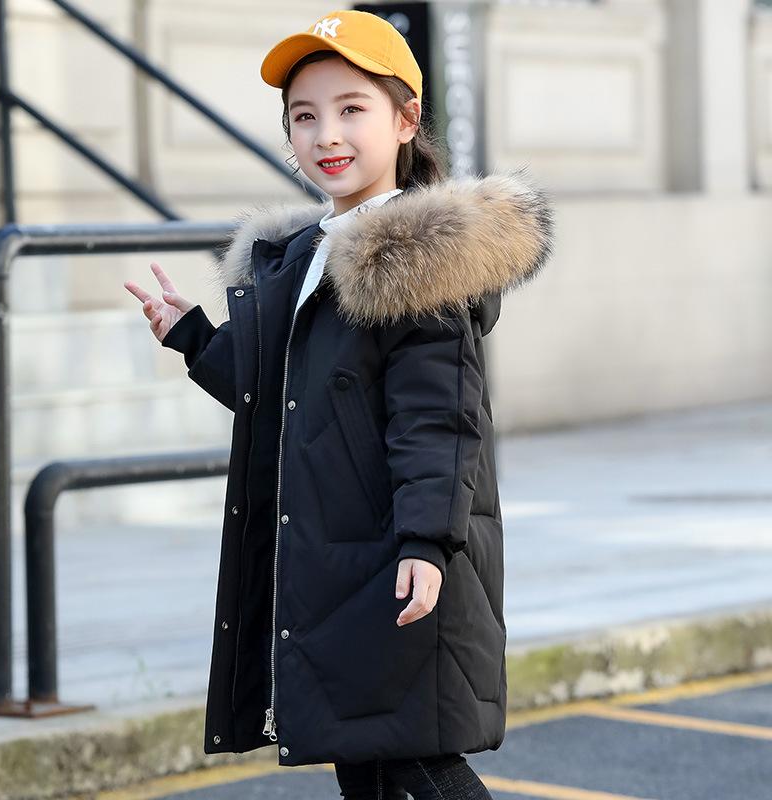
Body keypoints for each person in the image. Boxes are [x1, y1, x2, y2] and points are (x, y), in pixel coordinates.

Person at [124, 9, 554, 799]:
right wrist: (193, 336)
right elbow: (278, 397)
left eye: (352, 109)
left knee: (417, 759)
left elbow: (440, 419)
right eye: (304, 116)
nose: (326, 134)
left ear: (406, 120)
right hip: (333, 557)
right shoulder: (303, 256)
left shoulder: (415, 259)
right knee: (360, 751)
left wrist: (426, 542)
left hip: (396, 553)